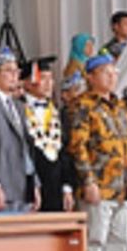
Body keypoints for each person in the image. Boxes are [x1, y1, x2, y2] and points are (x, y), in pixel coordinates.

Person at [68, 51, 127, 251]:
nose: (111, 76)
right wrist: (88, 181)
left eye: (113, 72)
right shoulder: (83, 105)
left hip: (123, 187)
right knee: (95, 244)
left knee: (119, 244)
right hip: (100, 185)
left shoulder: (120, 106)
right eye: (105, 72)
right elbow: (77, 146)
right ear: (91, 77)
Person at [0, 48, 40, 212]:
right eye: (8, 71)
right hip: (2, 187)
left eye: (16, 71)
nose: (14, 76)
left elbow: (26, 148)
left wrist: (35, 183)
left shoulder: (19, 106)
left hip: (24, 187)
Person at [21, 56, 74, 212]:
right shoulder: (18, 110)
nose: (48, 84)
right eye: (42, 78)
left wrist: (67, 187)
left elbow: (65, 151)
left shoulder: (56, 111)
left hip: (57, 184)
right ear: (27, 83)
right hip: (32, 186)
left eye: (50, 79)